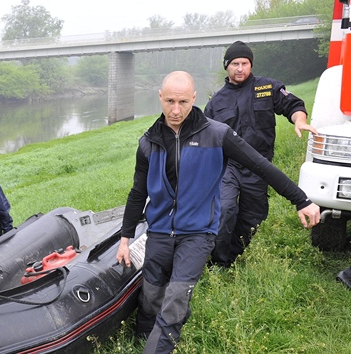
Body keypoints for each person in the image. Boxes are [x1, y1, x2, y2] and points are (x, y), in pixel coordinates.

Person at [115, 71, 320, 354]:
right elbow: (138, 193)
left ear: (194, 99)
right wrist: (125, 238)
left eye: (183, 102)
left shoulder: (218, 134)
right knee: (151, 295)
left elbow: (261, 166)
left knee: (176, 298)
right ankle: (144, 334)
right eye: (171, 101)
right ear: (160, 98)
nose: (176, 110)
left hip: (198, 233)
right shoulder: (148, 142)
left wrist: (301, 200)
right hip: (159, 232)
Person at [204, 40, 319, 267]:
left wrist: (300, 121)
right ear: (226, 66)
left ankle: (229, 257)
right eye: (235, 63)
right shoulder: (216, 102)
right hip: (229, 167)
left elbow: (293, 105)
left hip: (259, 168)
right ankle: (216, 262)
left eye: (244, 63)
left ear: (251, 64)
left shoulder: (267, 88)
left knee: (252, 218)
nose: (240, 68)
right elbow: (207, 138)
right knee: (225, 209)